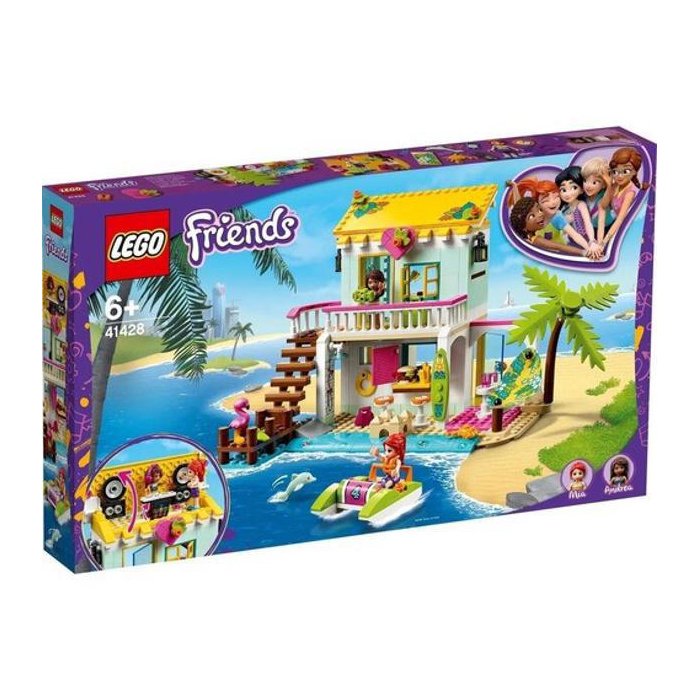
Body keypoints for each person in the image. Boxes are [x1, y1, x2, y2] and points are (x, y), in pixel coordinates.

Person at [508, 178, 601, 258]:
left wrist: (589, 249)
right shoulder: (534, 219)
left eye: (556, 197)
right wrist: (515, 187)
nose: (553, 203)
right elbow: (519, 208)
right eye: (546, 200)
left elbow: (574, 235)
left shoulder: (557, 217)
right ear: (537, 203)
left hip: (561, 253)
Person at [509, 197, 594, 258]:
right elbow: (559, 247)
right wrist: (583, 252)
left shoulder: (526, 237)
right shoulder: (535, 240)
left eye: (539, 210)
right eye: (531, 216)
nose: (540, 214)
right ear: (523, 227)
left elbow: (518, 208)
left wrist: (514, 186)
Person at [600, 147, 650, 247]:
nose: (620, 176)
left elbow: (620, 218)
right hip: (615, 225)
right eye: (615, 172)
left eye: (625, 171)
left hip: (628, 228)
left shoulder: (630, 192)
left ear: (634, 172)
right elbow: (603, 205)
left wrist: (605, 241)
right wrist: (609, 186)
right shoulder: (615, 186)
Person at [555, 166, 601, 256]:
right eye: (563, 190)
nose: (568, 194)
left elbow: (588, 223)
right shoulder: (563, 208)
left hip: (585, 240)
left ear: (581, 189)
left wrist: (592, 241)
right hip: (570, 242)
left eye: (573, 188)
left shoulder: (581, 205)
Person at [581, 156, 615, 241]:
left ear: (603, 184)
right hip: (592, 228)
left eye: (594, 182)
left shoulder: (603, 197)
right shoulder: (583, 196)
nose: (588, 186)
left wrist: (609, 185)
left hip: (607, 227)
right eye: (585, 181)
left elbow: (601, 222)